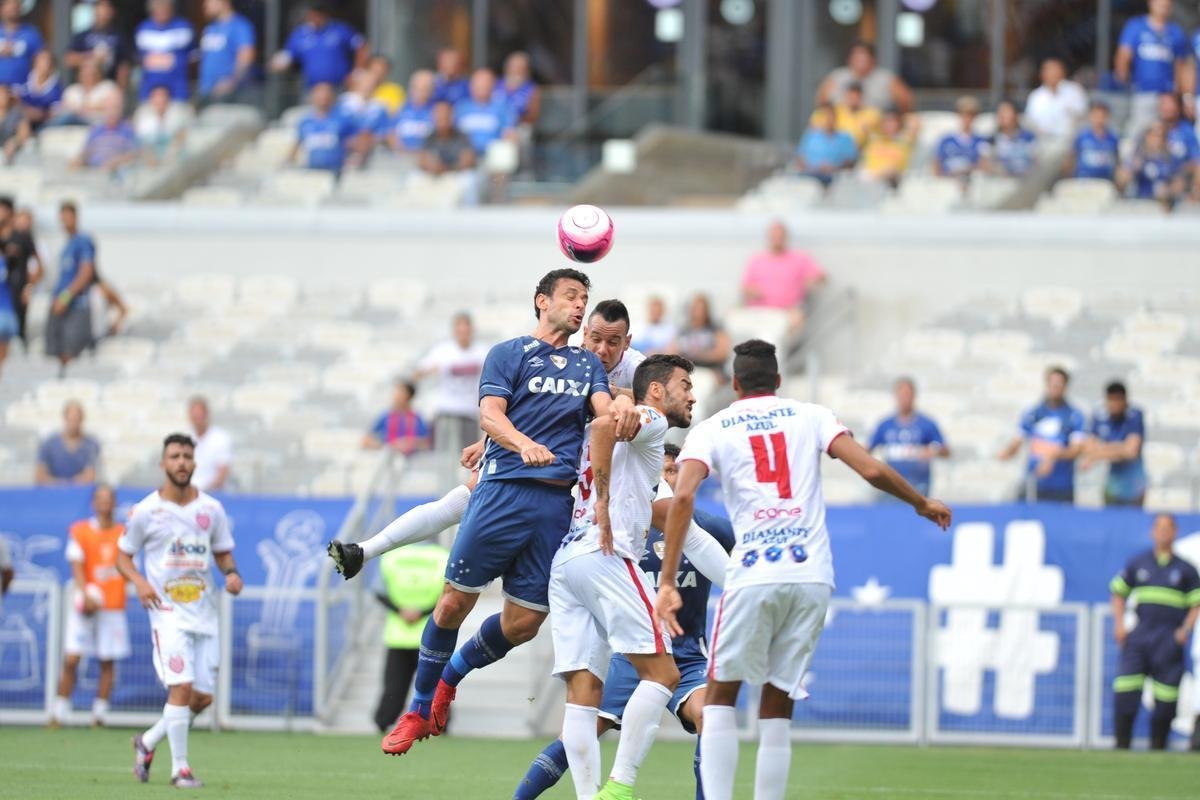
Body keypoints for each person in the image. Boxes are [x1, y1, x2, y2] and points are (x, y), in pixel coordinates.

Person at [654, 339, 951, 800]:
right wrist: (920, 502)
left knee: (720, 700)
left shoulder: (712, 428)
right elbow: (870, 470)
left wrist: (669, 579)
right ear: (777, 381)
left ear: (734, 384)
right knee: (777, 705)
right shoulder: (811, 415)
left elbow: (685, 497)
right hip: (811, 574)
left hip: (754, 573)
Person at [378, 269, 639, 757]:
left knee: (522, 623)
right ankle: (415, 710)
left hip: (555, 505)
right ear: (542, 301)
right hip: (502, 491)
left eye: (585, 297)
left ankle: (449, 680)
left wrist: (624, 411)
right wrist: (522, 445)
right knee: (454, 603)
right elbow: (490, 414)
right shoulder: (508, 353)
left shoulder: (588, 364)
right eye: (571, 296)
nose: (581, 305)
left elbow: (603, 410)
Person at [514, 443, 736, 800]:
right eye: (660, 472)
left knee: (712, 716)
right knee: (580, 730)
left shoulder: (706, 527)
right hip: (632, 656)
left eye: (673, 471)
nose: (667, 479)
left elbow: (743, 561)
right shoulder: (623, 528)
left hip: (688, 657)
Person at [548, 355, 698, 800]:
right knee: (664, 674)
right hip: (606, 551)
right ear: (656, 390)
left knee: (584, 691)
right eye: (685, 384)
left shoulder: (632, 416)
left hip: (568, 559)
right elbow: (601, 428)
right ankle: (620, 787)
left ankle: (588, 796)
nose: (693, 394)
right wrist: (605, 503)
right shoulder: (649, 418)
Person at [118, 434, 242, 788]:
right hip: (167, 612)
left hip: (205, 613)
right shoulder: (146, 511)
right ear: (163, 463)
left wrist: (231, 574)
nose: (182, 462)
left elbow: (222, 552)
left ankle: (147, 741)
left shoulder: (211, 510)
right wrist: (139, 582)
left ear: (195, 462)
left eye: (188, 455)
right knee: (182, 688)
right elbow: (122, 555)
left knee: (201, 698)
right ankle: (180, 770)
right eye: (175, 456)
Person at [1110, 513, 1200, 750]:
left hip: (1168, 639)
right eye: (1158, 527)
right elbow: (1118, 593)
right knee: (1126, 692)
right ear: (1152, 532)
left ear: (1175, 532)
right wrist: (1119, 625)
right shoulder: (1138, 563)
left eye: (1167, 527)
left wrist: (1185, 630)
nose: (1162, 532)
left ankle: (1158, 751)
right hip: (1140, 638)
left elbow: (1196, 603)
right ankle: (1120, 749)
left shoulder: (1186, 569)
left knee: (1166, 700)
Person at [50, 485, 129, 729]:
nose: (104, 503)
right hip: (85, 605)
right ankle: (59, 713)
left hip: (112, 605)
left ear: (114, 503)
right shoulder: (81, 532)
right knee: (72, 658)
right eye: (100, 499)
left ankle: (99, 716)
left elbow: (129, 565)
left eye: (109, 499)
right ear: (93, 503)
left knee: (107, 661)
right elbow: (76, 565)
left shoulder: (123, 534)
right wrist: (86, 594)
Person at [372, 542, 450, 733]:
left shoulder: (391, 557)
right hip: (433, 634)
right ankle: (440, 725)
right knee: (437, 686)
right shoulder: (443, 556)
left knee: (394, 687)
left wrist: (401, 611)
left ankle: (383, 722)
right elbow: (451, 593)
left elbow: (379, 592)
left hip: (398, 634)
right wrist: (422, 612)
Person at [997, 366, 1087, 504]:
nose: (1055, 387)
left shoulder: (1074, 416)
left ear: (1065, 386)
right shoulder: (1033, 413)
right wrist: (1007, 452)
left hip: (1061, 486)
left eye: (1059, 384)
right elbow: (1018, 440)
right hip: (1034, 485)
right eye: (1052, 384)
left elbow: (1076, 450)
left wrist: (1054, 454)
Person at [413, 313, 489, 453]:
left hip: (469, 411)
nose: (463, 333)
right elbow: (417, 373)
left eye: (466, 329)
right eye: (459, 330)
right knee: (445, 454)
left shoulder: (481, 352)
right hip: (447, 410)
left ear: (471, 330)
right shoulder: (443, 351)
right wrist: (430, 370)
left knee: (470, 455)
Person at [1115, 0, 1191, 138]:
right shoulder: (1136, 26)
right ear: (1151, 4)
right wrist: (1122, 80)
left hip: (1167, 96)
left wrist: (1181, 95)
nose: (1163, 8)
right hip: (1142, 92)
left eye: (1166, 5)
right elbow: (1123, 56)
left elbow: (1180, 66)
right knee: (1138, 131)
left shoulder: (1176, 32)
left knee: (1167, 135)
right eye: (1160, 4)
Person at [741, 220, 826, 336]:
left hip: (788, 313)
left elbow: (821, 276)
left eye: (780, 236)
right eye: (774, 236)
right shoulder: (756, 260)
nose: (777, 239)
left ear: (786, 237)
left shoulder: (800, 259)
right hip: (760, 312)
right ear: (768, 237)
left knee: (785, 326)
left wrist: (813, 280)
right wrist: (752, 291)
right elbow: (745, 287)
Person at [868, 377, 949, 499]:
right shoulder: (885, 425)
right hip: (890, 486)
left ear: (914, 396)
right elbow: (868, 449)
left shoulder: (926, 423)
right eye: (901, 394)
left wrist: (933, 450)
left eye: (907, 394)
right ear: (895, 396)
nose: (904, 398)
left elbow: (946, 451)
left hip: (918, 486)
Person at [45, 203, 98, 375]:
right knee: (54, 351)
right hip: (60, 306)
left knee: (70, 351)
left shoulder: (83, 241)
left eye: (68, 217)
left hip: (75, 307)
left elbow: (86, 272)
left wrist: (66, 297)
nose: (65, 221)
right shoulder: (66, 245)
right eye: (62, 217)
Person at [270, 1, 366, 90]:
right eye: (312, 15)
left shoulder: (340, 29)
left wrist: (357, 71)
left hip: (338, 86)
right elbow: (289, 54)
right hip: (312, 88)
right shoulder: (301, 34)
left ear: (324, 15)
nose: (314, 19)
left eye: (317, 15)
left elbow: (360, 46)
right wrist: (279, 62)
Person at [1082, 381, 1147, 508]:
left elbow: (1131, 451)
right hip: (1112, 482)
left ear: (1125, 400)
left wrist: (1100, 452)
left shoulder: (1134, 416)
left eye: (1118, 400)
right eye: (1111, 400)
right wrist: (1120, 448)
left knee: (1133, 520)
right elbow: (1089, 449)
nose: (1114, 404)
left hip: (1134, 483)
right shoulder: (1100, 417)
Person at [816, 40, 912, 113]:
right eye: (857, 58)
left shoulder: (885, 78)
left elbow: (906, 101)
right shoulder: (837, 76)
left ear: (872, 60)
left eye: (864, 58)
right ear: (849, 59)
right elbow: (821, 101)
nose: (861, 63)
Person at [0, 195, 41, 350]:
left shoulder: (22, 237)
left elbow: (40, 265)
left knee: (15, 337)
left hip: (16, 295)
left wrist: (29, 287)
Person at [289, 81, 357, 173]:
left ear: (332, 97)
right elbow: (297, 145)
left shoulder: (343, 119)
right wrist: (289, 161)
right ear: (313, 98)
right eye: (320, 96)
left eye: (326, 96)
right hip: (311, 171)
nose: (323, 99)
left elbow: (355, 141)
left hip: (336, 171)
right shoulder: (305, 121)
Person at [135, 0, 195, 102]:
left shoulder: (184, 27)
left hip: (178, 92)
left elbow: (193, 59)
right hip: (149, 94)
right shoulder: (143, 29)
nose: (162, 9)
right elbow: (141, 60)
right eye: (158, 5)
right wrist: (167, 59)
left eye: (165, 5)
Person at [198, 0, 256, 103]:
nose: (205, 5)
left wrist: (232, 82)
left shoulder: (240, 26)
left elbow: (246, 58)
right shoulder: (210, 28)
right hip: (207, 94)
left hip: (229, 97)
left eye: (209, 1)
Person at [65, 0, 131, 88]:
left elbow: (124, 66)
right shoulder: (83, 35)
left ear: (112, 12)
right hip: (83, 86)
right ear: (94, 10)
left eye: (107, 8)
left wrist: (121, 90)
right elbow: (69, 59)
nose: (103, 12)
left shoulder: (118, 37)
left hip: (108, 85)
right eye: (100, 8)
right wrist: (91, 57)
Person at [1118, 121, 1185, 205]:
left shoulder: (1171, 158)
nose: (1157, 139)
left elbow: (1180, 183)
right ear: (1147, 136)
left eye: (1161, 136)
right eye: (1154, 135)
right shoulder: (1138, 155)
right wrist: (1131, 170)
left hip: (1164, 204)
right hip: (1142, 203)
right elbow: (1121, 180)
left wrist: (1168, 191)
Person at [36, 400, 101, 485]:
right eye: (71, 419)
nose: (73, 423)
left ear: (82, 419)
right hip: (52, 494)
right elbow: (40, 476)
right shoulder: (49, 444)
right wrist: (60, 483)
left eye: (76, 419)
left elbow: (89, 476)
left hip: (81, 494)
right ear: (65, 418)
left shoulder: (91, 445)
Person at [454, 68, 516, 155]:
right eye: (478, 84)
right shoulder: (460, 107)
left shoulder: (502, 107)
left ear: (493, 86)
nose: (482, 88)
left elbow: (509, 132)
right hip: (464, 155)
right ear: (471, 86)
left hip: (492, 155)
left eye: (485, 84)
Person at [795, 102, 858, 185]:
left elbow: (850, 161)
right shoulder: (811, 135)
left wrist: (834, 168)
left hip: (835, 180)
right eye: (825, 116)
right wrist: (815, 168)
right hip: (810, 178)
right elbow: (800, 158)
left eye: (830, 116)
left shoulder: (845, 138)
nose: (828, 119)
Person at [363, 380, 431, 455]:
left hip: (412, 461)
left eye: (400, 393)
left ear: (408, 396)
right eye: (395, 393)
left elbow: (426, 443)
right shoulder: (385, 416)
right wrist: (386, 446)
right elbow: (366, 440)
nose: (395, 396)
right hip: (388, 459)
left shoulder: (417, 419)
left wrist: (410, 443)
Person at [1025, 58, 1088, 139]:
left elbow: (1083, 115)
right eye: (1049, 71)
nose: (1052, 74)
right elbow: (1030, 122)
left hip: (1070, 141)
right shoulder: (1035, 96)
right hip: (1043, 142)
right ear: (1042, 75)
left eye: (1055, 71)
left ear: (1063, 72)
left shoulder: (1075, 91)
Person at [673, 293, 731, 382]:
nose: (697, 312)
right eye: (694, 308)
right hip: (689, 371)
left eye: (700, 309)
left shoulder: (715, 327)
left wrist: (697, 354)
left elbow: (721, 353)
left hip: (712, 370)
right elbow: (672, 351)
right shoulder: (684, 329)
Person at [132, 85, 192, 165]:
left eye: (163, 96)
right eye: (156, 97)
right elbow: (142, 144)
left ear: (168, 99)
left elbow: (183, 134)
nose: (160, 100)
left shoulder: (178, 113)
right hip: (152, 160)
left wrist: (171, 154)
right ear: (151, 100)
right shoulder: (144, 118)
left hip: (175, 157)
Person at [418, 100, 476, 182]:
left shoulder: (462, 136)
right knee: (416, 178)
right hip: (435, 175)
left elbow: (468, 159)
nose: (442, 121)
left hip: (456, 174)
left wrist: (448, 169)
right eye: (439, 117)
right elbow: (423, 160)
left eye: (445, 117)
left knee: (469, 178)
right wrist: (432, 166)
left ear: (451, 117)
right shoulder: (429, 137)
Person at [860, 108, 919, 186]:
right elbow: (864, 125)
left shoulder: (904, 141)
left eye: (893, 121)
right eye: (886, 122)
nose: (889, 125)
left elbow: (915, 123)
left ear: (899, 123)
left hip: (894, 183)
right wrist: (878, 121)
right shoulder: (874, 140)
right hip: (870, 183)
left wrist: (903, 117)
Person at [72, 104, 139, 172]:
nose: (112, 114)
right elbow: (86, 150)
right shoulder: (96, 130)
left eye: (115, 110)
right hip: (93, 168)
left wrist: (116, 162)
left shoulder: (127, 130)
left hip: (115, 171)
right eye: (109, 111)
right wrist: (78, 159)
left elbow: (133, 154)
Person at [935, 95, 988, 179]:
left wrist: (966, 170)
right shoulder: (946, 140)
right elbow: (936, 164)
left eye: (971, 115)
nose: (967, 119)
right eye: (964, 114)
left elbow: (985, 165)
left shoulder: (981, 141)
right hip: (947, 183)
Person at [1159, 92, 1200, 199]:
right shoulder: (1153, 129)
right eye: (1163, 104)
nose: (1166, 108)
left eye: (1170, 104)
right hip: (1154, 176)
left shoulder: (1187, 132)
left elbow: (1196, 160)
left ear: (1178, 107)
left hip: (1180, 178)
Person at [1067, 101, 1120, 181]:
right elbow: (1071, 159)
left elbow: (1117, 161)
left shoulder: (1113, 138)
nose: (1099, 120)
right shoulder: (1081, 137)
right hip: (1084, 181)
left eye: (1102, 116)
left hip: (1105, 182)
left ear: (1107, 117)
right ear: (1090, 116)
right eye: (1096, 116)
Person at [59, 58, 121, 127]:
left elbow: (113, 109)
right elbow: (64, 109)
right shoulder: (72, 90)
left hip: (98, 124)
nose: (88, 74)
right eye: (85, 70)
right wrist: (96, 106)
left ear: (98, 72)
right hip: (72, 126)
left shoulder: (108, 87)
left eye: (92, 70)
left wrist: (82, 109)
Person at [188, 396, 232, 493]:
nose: (197, 420)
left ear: (207, 415)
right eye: (195, 416)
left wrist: (201, 491)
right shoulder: (185, 438)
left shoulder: (220, 438)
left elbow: (222, 474)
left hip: (213, 494)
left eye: (200, 416)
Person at [388, 69, 435, 153]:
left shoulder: (437, 111)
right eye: (416, 87)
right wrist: (403, 151)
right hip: (402, 157)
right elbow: (391, 134)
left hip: (426, 159)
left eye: (425, 88)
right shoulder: (400, 109)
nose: (420, 92)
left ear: (432, 90)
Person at [988, 99, 1037, 178]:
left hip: (1025, 180)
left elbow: (1036, 162)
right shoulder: (992, 139)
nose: (1002, 115)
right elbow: (987, 164)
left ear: (1016, 114)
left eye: (1006, 111)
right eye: (999, 112)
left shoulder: (1029, 138)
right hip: (1002, 179)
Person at [0, 0, 43, 88]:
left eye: (15, 6)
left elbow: (42, 60)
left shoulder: (31, 33)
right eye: (9, 6)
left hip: (23, 90)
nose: (12, 9)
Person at [494, 51, 540, 126]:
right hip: (495, 123)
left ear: (526, 71)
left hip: (519, 125)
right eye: (513, 67)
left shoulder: (531, 88)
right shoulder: (496, 84)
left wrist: (512, 120)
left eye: (520, 68)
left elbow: (533, 116)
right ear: (507, 68)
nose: (516, 71)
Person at [18, 50, 62, 130]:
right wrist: (27, 110)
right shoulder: (23, 80)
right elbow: (15, 101)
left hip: (45, 124)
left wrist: (41, 114)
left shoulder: (56, 88)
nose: (42, 64)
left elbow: (55, 111)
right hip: (23, 120)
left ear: (52, 66)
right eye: (40, 60)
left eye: (46, 61)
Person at [0, 83, 30, 162]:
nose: (2, 96)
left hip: (10, 153)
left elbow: (25, 133)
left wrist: (14, 142)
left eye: (4, 93)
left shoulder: (16, 113)